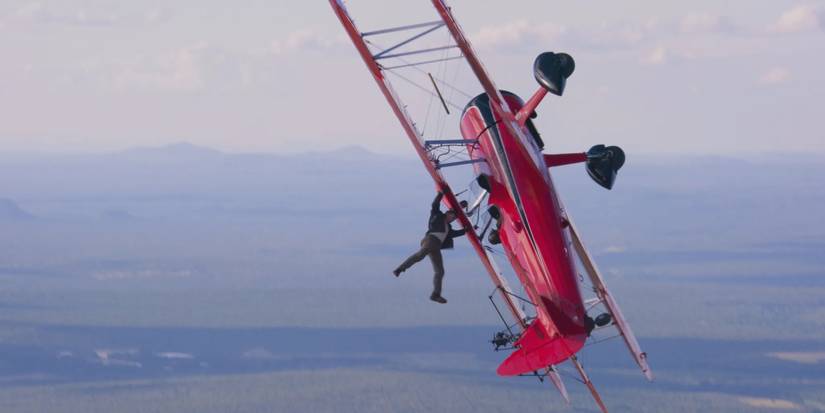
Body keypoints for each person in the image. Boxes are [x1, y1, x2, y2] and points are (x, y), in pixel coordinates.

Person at [393, 190, 466, 304]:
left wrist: (466, 230)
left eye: (454, 218)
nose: (453, 219)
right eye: (452, 216)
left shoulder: (448, 228)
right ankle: (400, 269)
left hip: (436, 247)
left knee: (440, 271)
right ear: (447, 213)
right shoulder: (438, 216)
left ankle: (435, 295)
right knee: (420, 255)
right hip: (430, 240)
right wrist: (440, 194)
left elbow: (455, 234)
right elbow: (435, 205)